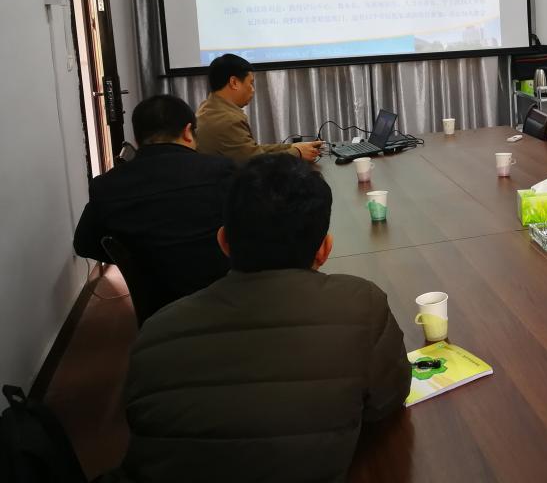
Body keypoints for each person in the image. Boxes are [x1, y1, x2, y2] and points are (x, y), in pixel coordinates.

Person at [112, 154, 410, 482]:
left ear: (224, 242)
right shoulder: (362, 305)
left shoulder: (154, 333)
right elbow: (387, 400)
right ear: (324, 249)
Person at [74, 94, 234, 311]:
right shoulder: (221, 170)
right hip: (225, 298)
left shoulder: (105, 186)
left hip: (157, 308)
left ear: (137, 139)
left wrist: (133, 259)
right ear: (188, 132)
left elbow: (84, 244)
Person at [195, 53, 321, 162]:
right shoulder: (227, 120)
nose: (253, 90)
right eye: (250, 83)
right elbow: (256, 161)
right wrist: (297, 153)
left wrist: (292, 147)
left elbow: (251, 150)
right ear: (234, 82)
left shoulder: (208, 107)